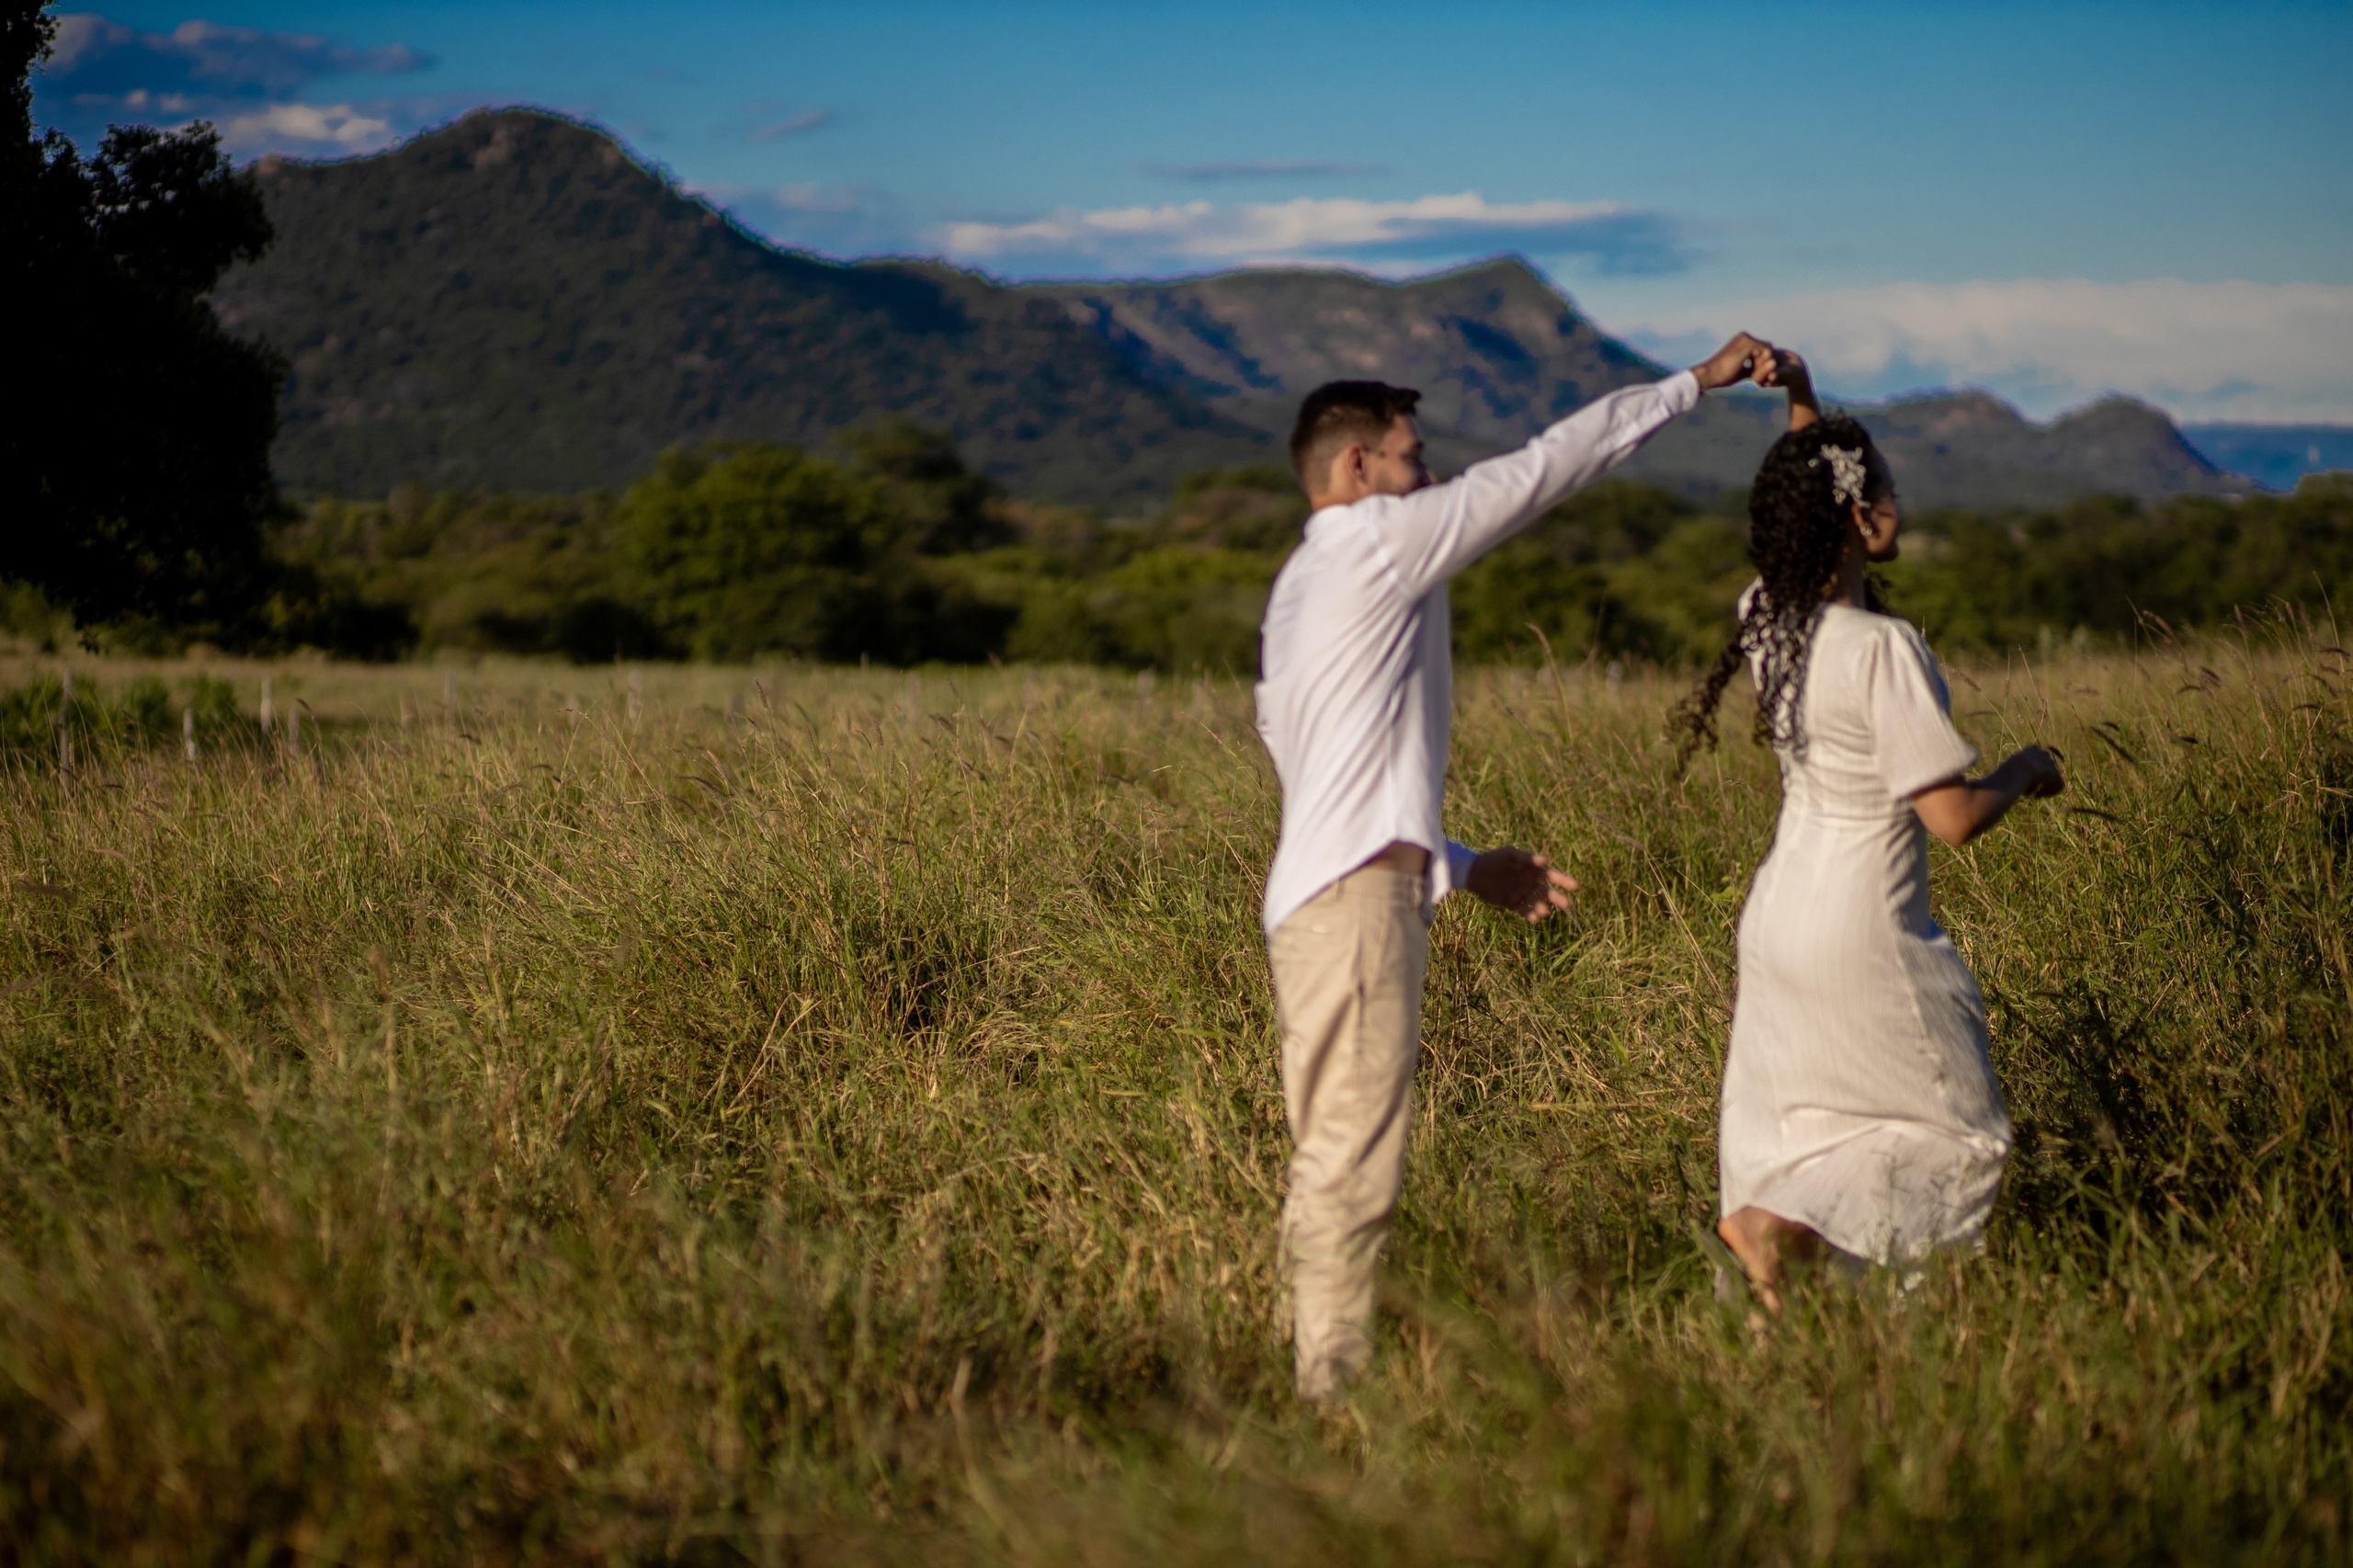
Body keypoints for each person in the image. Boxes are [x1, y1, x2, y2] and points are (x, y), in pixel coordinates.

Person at [1257, 332, 1784, 1400]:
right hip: (1353, 907)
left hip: (1327, 894)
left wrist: (1455, 862)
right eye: (1412, 455)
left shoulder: (1299, 586)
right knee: (1350, 1158)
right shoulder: (1376, 541)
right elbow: (1547, 464)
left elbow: (1315, 764)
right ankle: (1328, 1396)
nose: (1431, 474)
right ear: (1356, 469)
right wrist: (1694, 382)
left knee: (1333, 1149)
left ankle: (1313, 1370)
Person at [1673, 354, 2066, 1312]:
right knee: (1957, 1133)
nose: (1897, 497)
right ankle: (1842, 1273)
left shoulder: (1765, 619)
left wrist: (1800, 394)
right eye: (1883, 481)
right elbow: (1951, 819)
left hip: (1779, 917)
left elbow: (1803, 482)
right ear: (1860, 514)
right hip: (1863, 924)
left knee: (1816, 1122)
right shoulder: (1883, 648)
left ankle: (1779, 1233)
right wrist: (2022, 767)